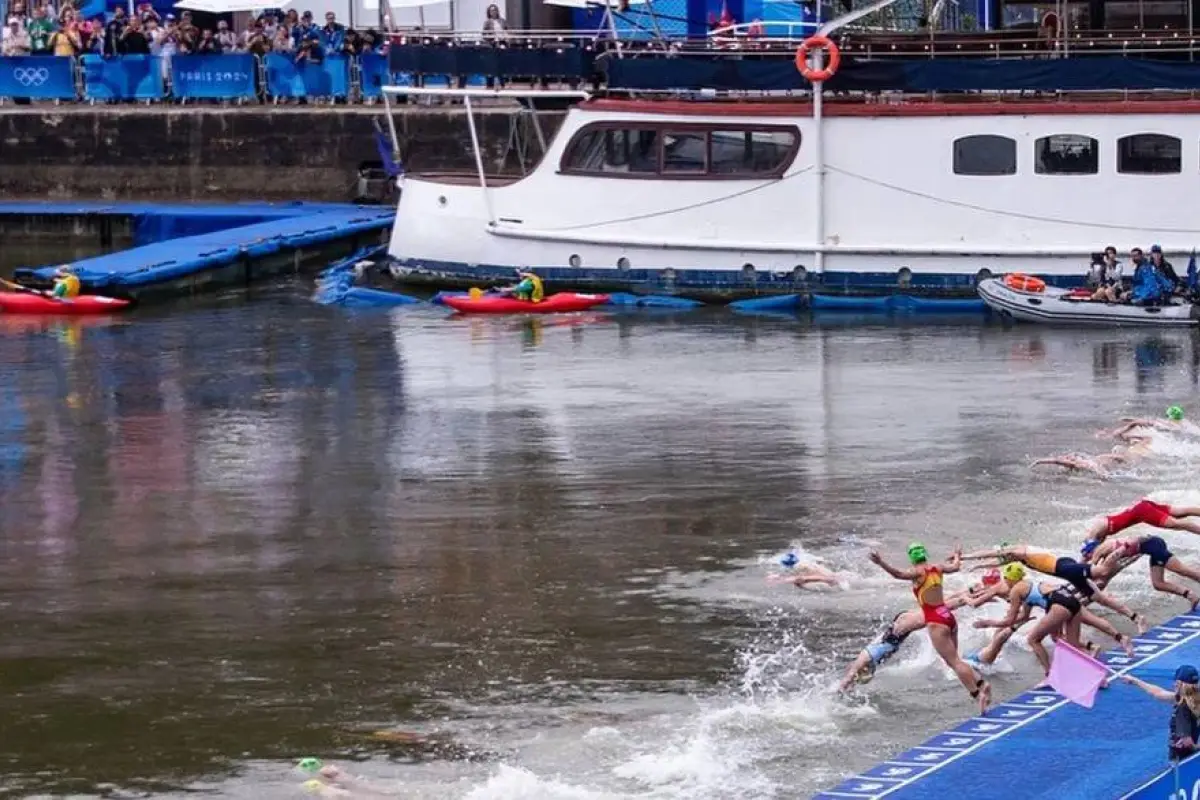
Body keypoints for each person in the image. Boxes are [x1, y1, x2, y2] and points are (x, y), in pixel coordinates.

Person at [868, 543, 991, 711]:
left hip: (935, 620)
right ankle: (981, 684)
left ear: (911, 558)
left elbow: (897, 574)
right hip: (948, 616)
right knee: (956, 660)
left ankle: (978, 694)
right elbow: (955, 567)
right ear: (925, 554)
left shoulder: (917, 573)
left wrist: (880, 562)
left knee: (954, 662)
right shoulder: (937, 567)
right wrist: (956, 554)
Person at [838, 572, 1007, 691]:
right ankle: (842, 688)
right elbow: (948, 602)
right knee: (854, 671)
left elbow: (947, 602)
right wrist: (973, 594)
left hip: (894, 635)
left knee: (854, 671)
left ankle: (842, 689)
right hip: (893, 636)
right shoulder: (881, 650)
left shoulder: (880, 648)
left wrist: (972, 594)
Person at [970, 562, 1133, 671]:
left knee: (1033, 640)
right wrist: (1020, 621)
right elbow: (1023, 615)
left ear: (1008, 579)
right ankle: (1098, 661)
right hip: (1068, 598)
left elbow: (1010, 619)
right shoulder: (1027, 585)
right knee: (1072, 642)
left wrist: (989, 623)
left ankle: (1049, 674)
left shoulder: (1014, 591)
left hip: (1058, 605)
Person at [962, 543, 1147, 630]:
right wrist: (977, 564)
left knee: (1102, 571)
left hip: (1065, 568)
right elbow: (996, 559)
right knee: (1100, 597)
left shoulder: (1018, 552)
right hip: (1064, 567)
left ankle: (1125, 548)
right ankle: (1136, 618)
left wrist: (967, 558)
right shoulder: (1018, 556)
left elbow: (994, 553)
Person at [1090, 535, 1200, 610]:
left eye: (1086, 555)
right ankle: (1190, 595)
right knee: (1158, 584)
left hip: (1154, 545)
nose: (1086, 558)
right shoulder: (1104, 551)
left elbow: (1093, 569)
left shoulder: (1099, 552)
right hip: (1153, 545)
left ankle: (1191, 595)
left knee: (1182, 570)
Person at [1122, 665, 1200, 762]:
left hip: (1182, 758)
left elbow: (1187, 741)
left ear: (1179, 683)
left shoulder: (1182, 707)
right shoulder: (1193, 698)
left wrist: (1196, 748)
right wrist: (1135, 681)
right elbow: (1158, 693)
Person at [1079, 498, 1200, 552]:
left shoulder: (1095, 531)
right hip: (1141, 507)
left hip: (1142, 513)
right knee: (1178, 512)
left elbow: (1091, 551)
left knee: (1176, 524)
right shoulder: (1098, 531)